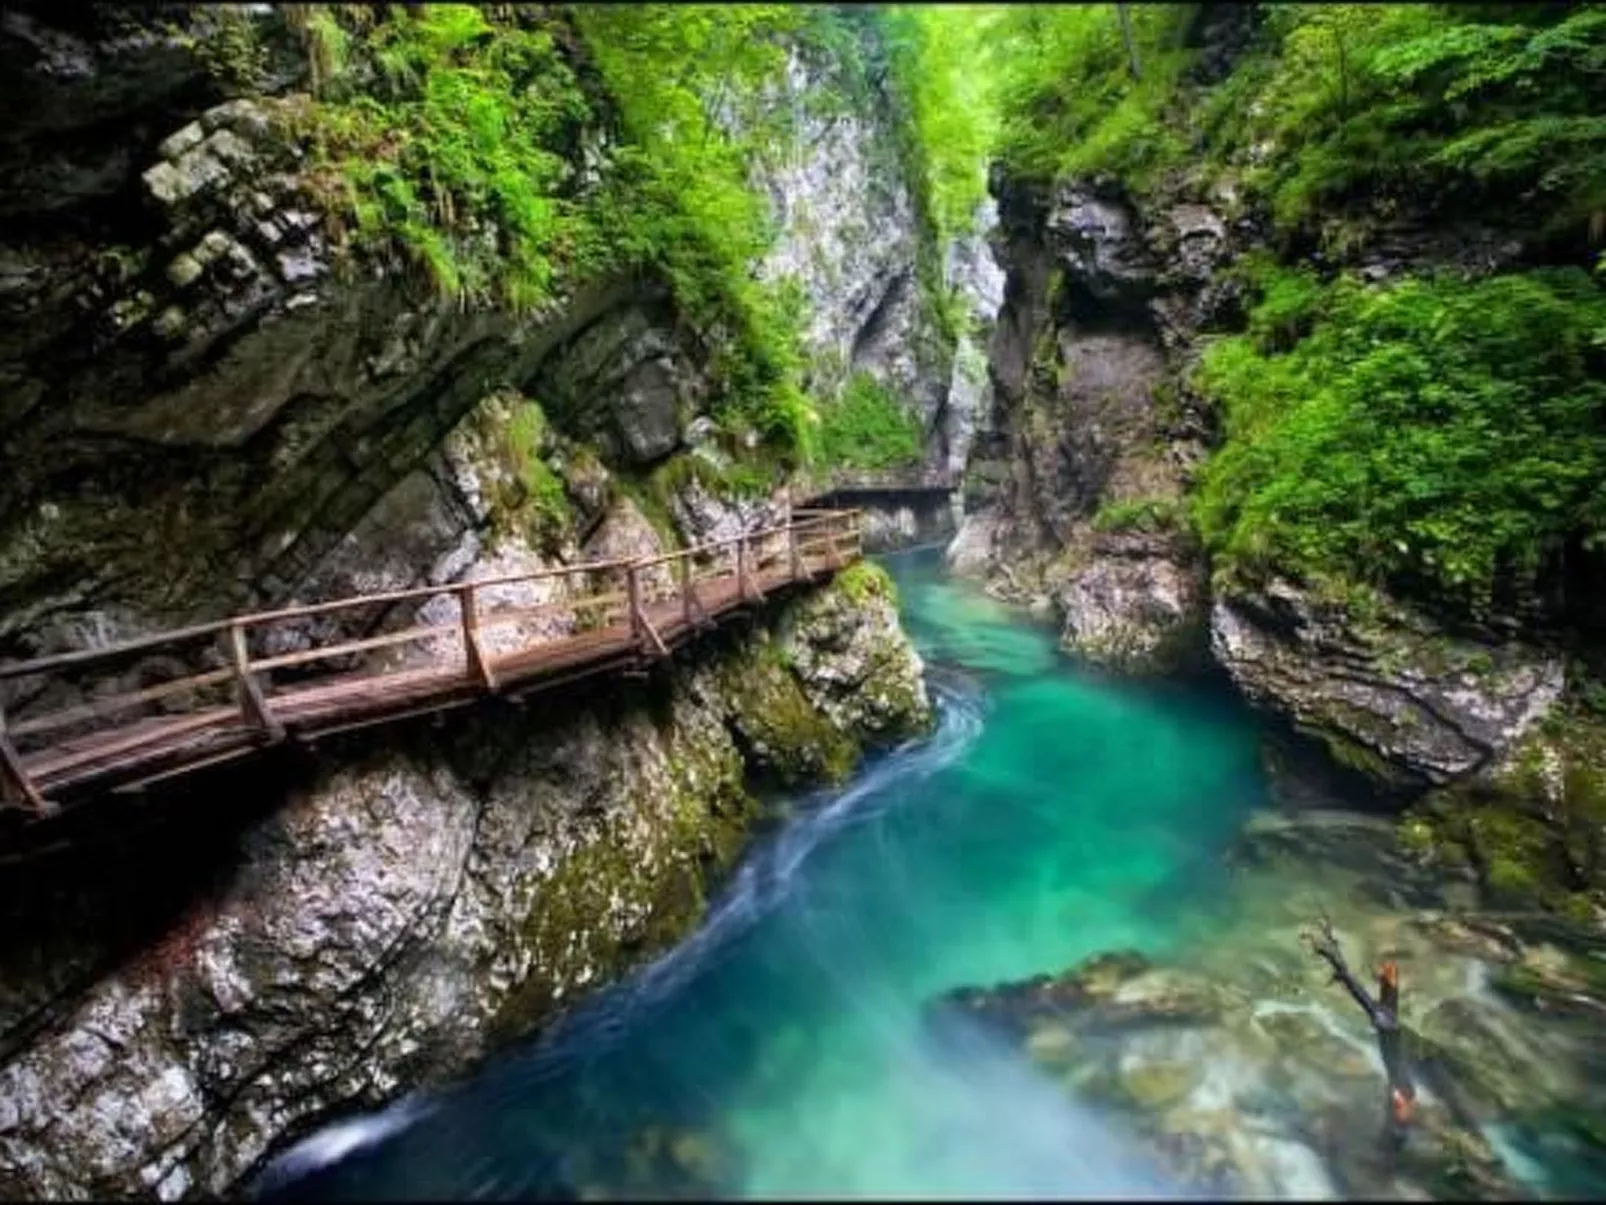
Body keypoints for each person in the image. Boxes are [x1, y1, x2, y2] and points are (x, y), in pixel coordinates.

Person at [1304, 915, 1418, 1151]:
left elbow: (1360, 994)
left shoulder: (1383, 1017)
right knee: (1397, 1119)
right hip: (1400, 1078)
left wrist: (1342, 973)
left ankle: (1392, 1143)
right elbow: (1387, 989)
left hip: (1400, 1081)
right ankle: (1392, 1141)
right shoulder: (1389, 1009)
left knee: (1397, 1123)